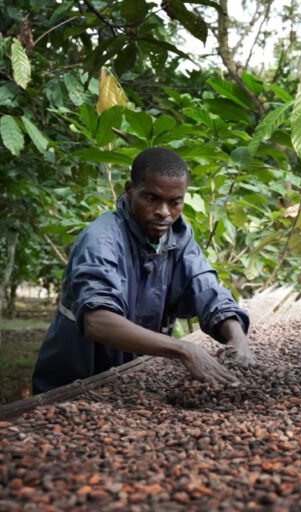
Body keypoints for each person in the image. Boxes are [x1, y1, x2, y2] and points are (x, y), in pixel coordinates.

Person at [32, 147, 255, 394]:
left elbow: (205, 286)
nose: (164, 212)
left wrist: (237, 336)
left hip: (131, 381)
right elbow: (98, 321)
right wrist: (185, 349)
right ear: (130, 191)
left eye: (175, 202)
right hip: (75, 381)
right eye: (151, 198)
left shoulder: (178, 237)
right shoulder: (101, 239)